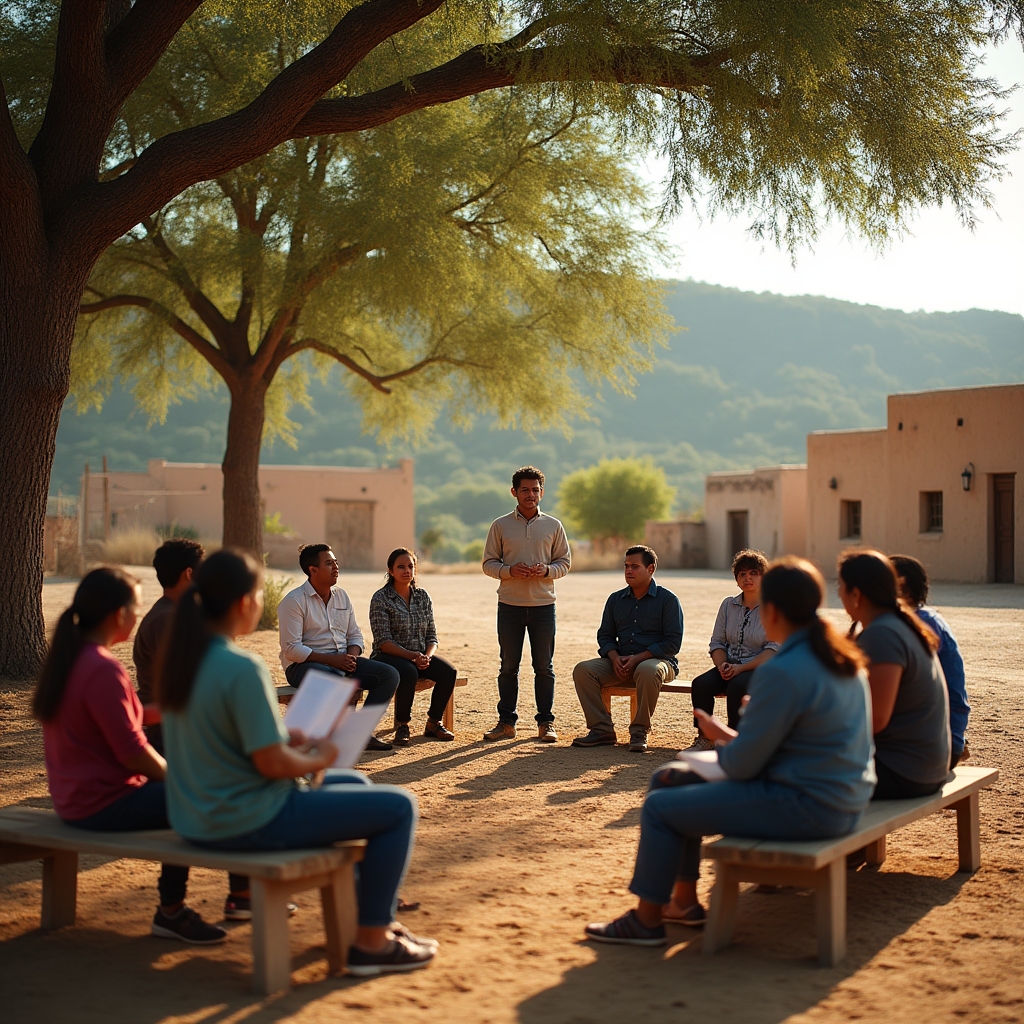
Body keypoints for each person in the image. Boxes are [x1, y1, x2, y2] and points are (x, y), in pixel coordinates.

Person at [158, 549, 437, 975]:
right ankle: (371, 943)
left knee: (357, 789)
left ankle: (374, 918)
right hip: (246, 818)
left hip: (195, 814)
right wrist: (320, 754)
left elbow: (224, 740)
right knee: (399, 807)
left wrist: (290, 740)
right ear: (243, 603)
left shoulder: (181, 661)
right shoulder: (240, 667)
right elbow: (271, 765)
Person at [585, 558, 874, 945]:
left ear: (771, 610)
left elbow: (743, 766)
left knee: (659, 805)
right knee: (669, 779)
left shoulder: (783, 669)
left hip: (810, 805)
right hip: (842, 793)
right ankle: (683, 903)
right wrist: (728, 734)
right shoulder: (841, 658)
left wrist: (720, 740)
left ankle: (646, 920)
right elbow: (794, 745)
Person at [33, 566, 226, 945]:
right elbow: (134, 754)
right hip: (104, 803)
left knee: (195, 790)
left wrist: (173, 707)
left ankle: (217, 899)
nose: (138, 617)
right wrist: (183, 780)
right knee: (201, 797)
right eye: (135, 609)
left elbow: (130, 717)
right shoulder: (103, 668)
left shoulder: (73, 660)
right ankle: (175, 910)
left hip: (73, 799)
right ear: (119, 614)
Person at [838, 550, 951, 799]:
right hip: (921, 768)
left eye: (840, 586)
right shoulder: (894, 624)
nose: (838, 594)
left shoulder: (882, 634)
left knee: (792, 766)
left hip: (903, 771)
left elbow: (875, 720)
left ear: (856, 594)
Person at [278, 543, 399, 751]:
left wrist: (351, 657)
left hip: (342, 661)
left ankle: (359, 733)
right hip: (304, 665)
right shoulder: (294, 601)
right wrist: (332, 660)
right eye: (328, 563)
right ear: (312, 570)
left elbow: (355, 635)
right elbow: (292, 650)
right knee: (334, 679)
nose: (335, 567)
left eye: (335, 562)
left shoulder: (342, 596)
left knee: (390, 675)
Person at [481, 465, 571, 742]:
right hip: (509, 606)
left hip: (544, 606)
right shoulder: (500, 525)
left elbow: (564, 563)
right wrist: (510, 570)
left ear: (542, 492)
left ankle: (546, 724)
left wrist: (546, 570)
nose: (530, 495)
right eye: (524, 490)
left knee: (544, 666)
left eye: (535, 490)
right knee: (508, 666)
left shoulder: (554, 526)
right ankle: (506, 723)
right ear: (514, 492)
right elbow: (488, 563)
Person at [571, 546, 683, 753]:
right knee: (583, 670)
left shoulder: (668, 600)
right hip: (620, 663)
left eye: (635, 566)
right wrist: (614, 658)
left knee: (648, 670)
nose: (628, 571)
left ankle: (639, 730)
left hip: (659, 662)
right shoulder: (615, 599)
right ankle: (602, 729)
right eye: (626, 566)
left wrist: (637, 658)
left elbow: (672, 643)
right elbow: (605, 636)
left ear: (651, 569)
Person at [685, 549, 778, 751]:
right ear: (736, 579)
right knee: (700, 684)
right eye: (742, 574)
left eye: (754, 573)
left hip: (758, 668)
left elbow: (772, 650)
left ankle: (733, 740)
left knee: (737, 686)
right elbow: (717, 642)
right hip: (728, 665)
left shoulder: (773, 608)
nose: (748, 578)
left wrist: (740, 668)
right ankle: (704, 737)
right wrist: (722, 665)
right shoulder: (728, 605)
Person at [368, 548, 458, 746]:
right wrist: (413, 656)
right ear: (390, 570)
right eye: (401, 567)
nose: (406, 571)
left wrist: (426, 656)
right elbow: (383, 641)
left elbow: (432, 636)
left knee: (449, 672)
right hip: (387, 657)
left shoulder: (422, 596)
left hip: (419, 656)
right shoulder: (381, 598)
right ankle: (403, 725)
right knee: (409, 672)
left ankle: (433, 723)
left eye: (410, 566)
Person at [890, 554, 970, 766]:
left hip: (934, 748)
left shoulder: (918, 623)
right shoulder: (926, 617)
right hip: (941, 740)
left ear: (901, 587)